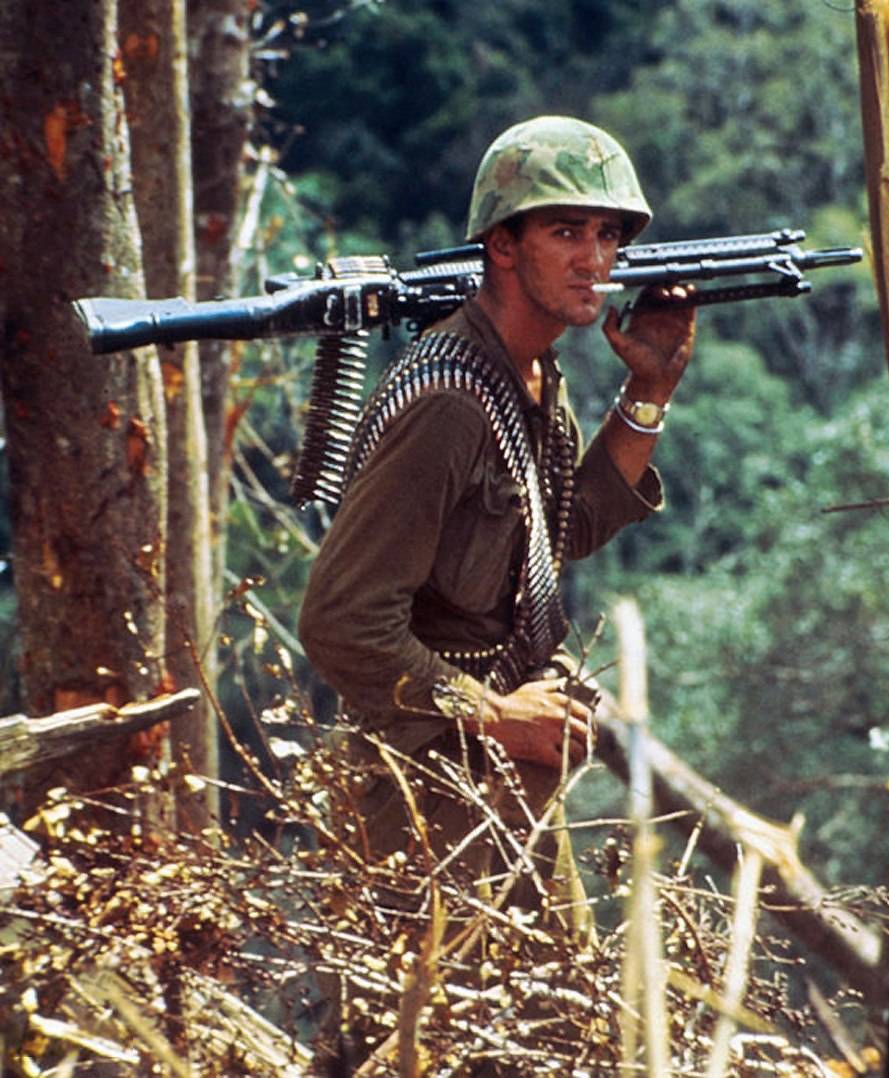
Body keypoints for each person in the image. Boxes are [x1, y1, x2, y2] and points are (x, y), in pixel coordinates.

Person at [298, 116, 694, 934]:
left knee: (555, 1032)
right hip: (421, 790)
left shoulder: (530, 376)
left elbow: (562, 529)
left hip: (498, 771)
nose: (595, 259)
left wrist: (649, 394)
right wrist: (499, 715)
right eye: (564, 232)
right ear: (502, 247)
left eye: (608, 234)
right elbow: (341, 623)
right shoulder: (449, 401)